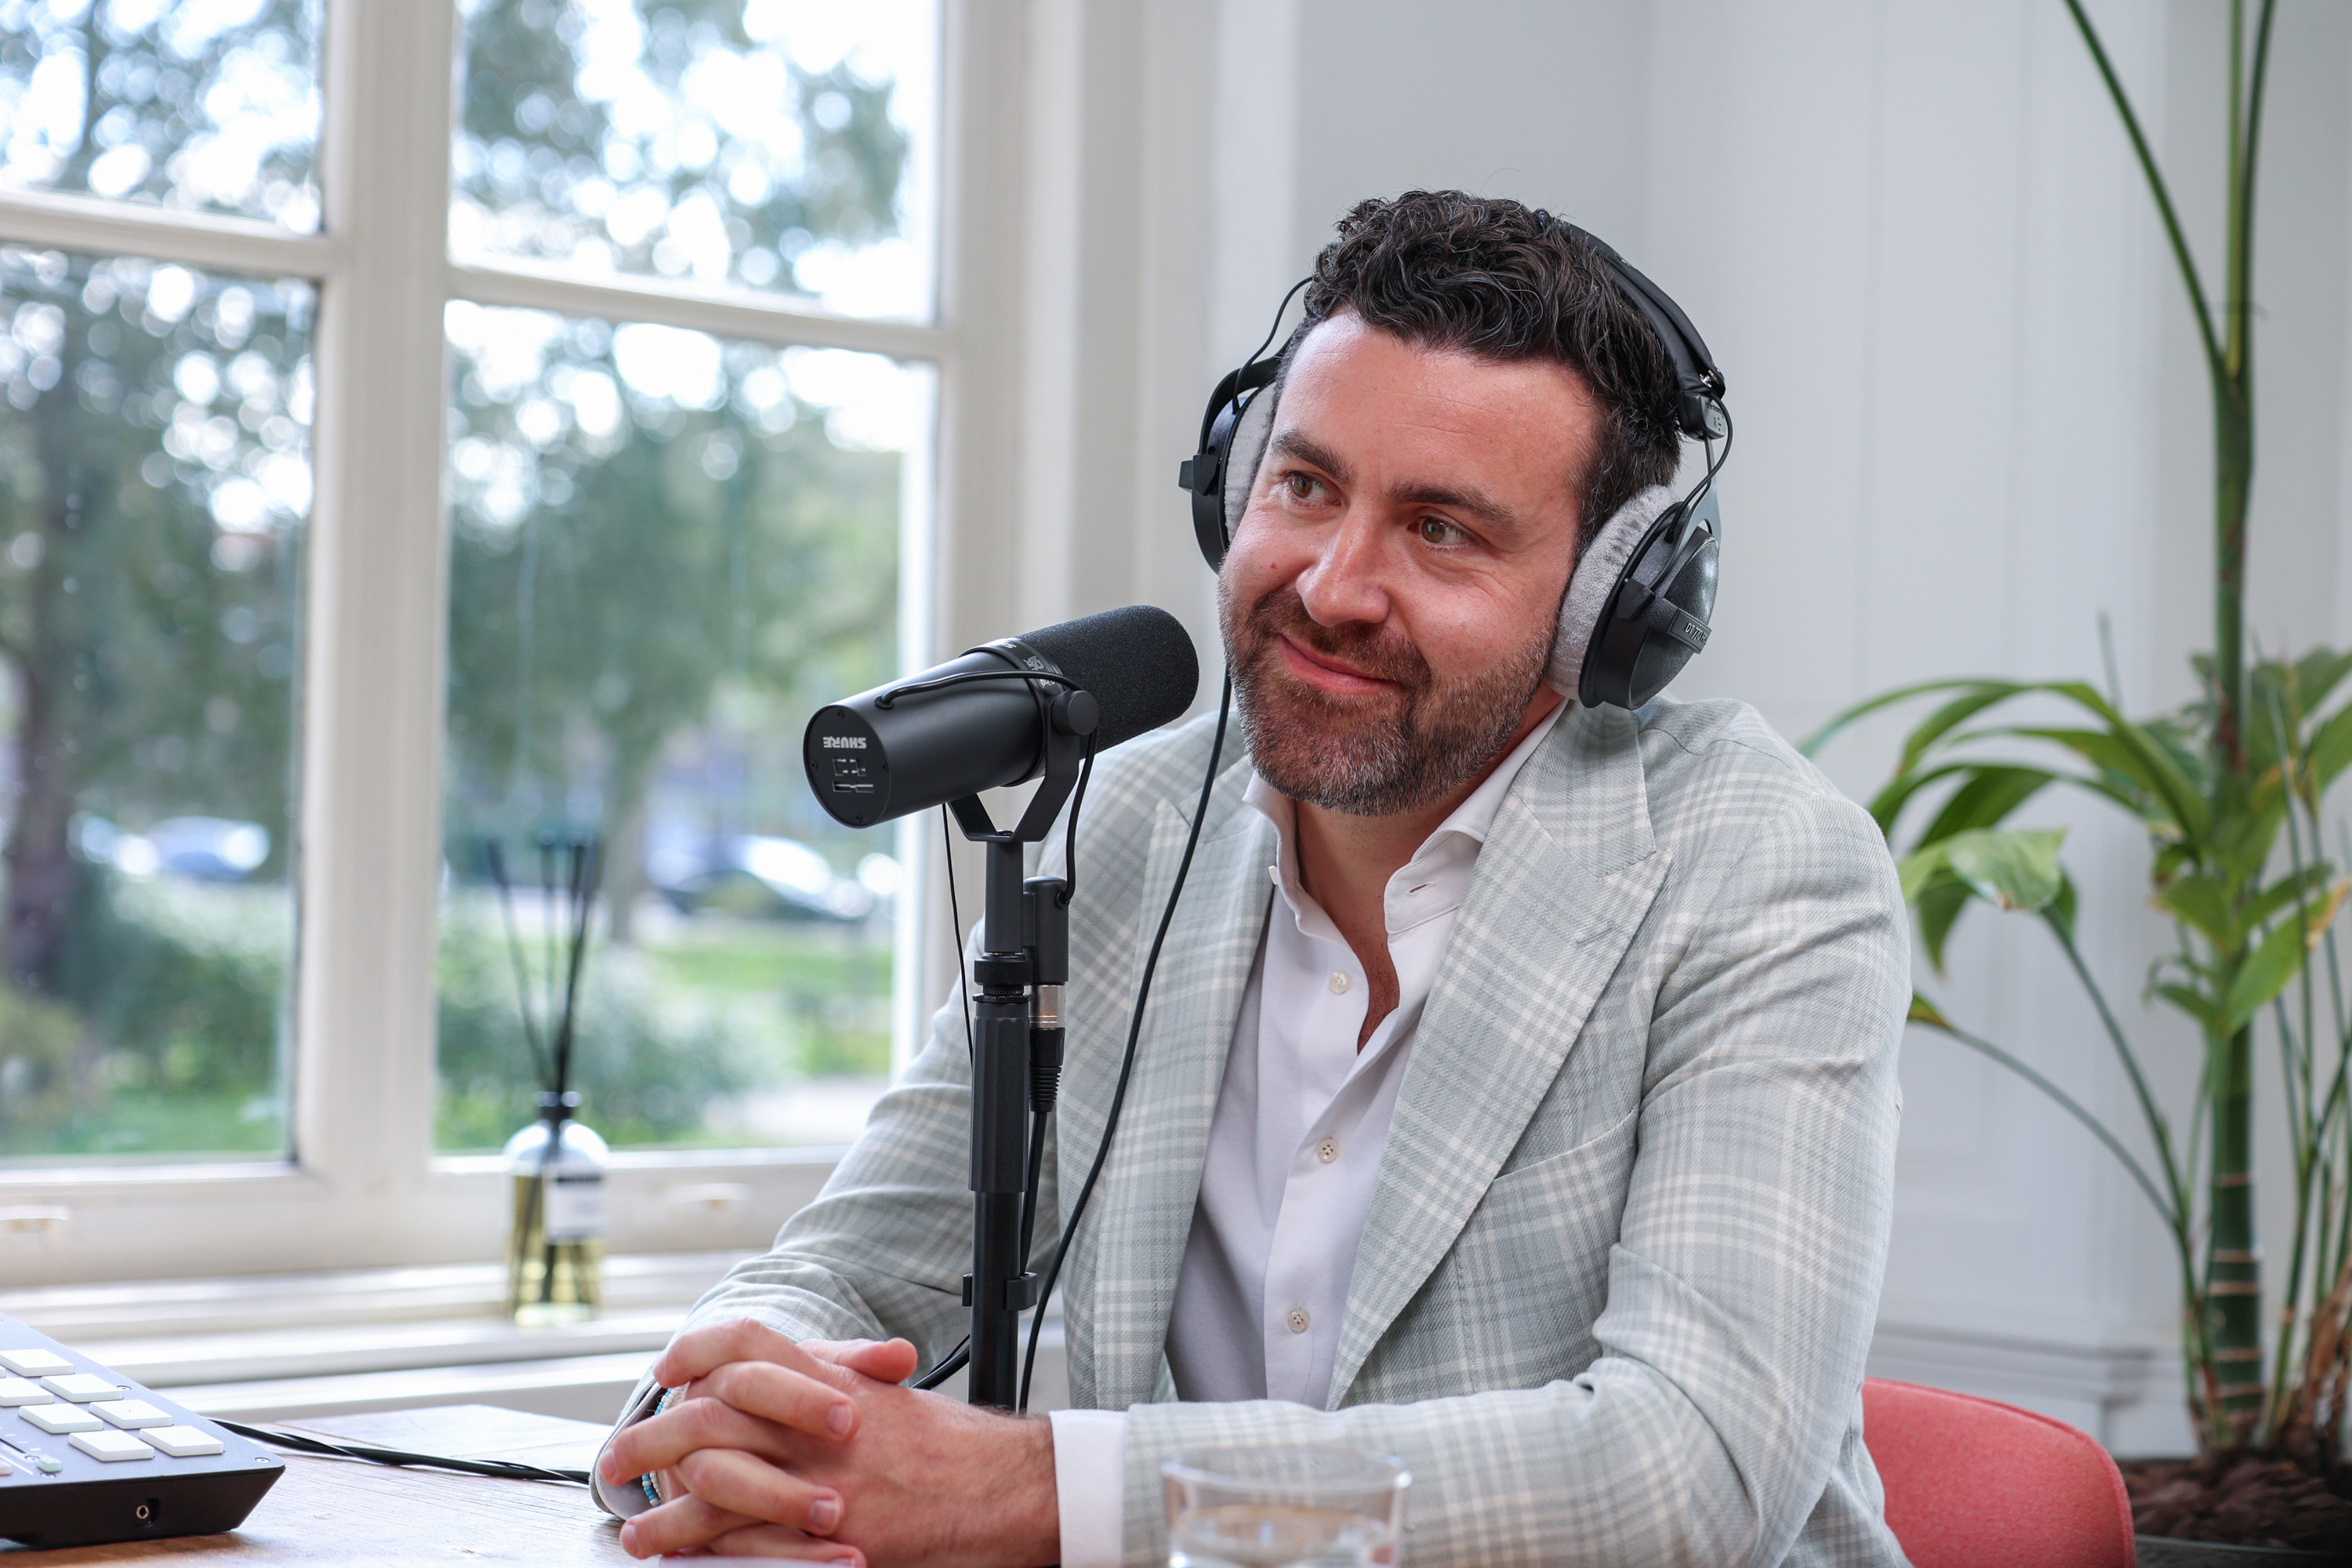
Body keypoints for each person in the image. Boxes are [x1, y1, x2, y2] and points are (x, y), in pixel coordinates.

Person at [592, 191, 1910, 1567]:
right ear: (1236, 487)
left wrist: (1034, 1492)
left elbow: (1685, 1474)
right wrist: (733, 1415)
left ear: (1609, 607)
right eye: (1306, 486)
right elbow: (854, 1264)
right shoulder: (1128, 824)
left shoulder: (1758, 864)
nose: (1335, 584)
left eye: (1444, 529)